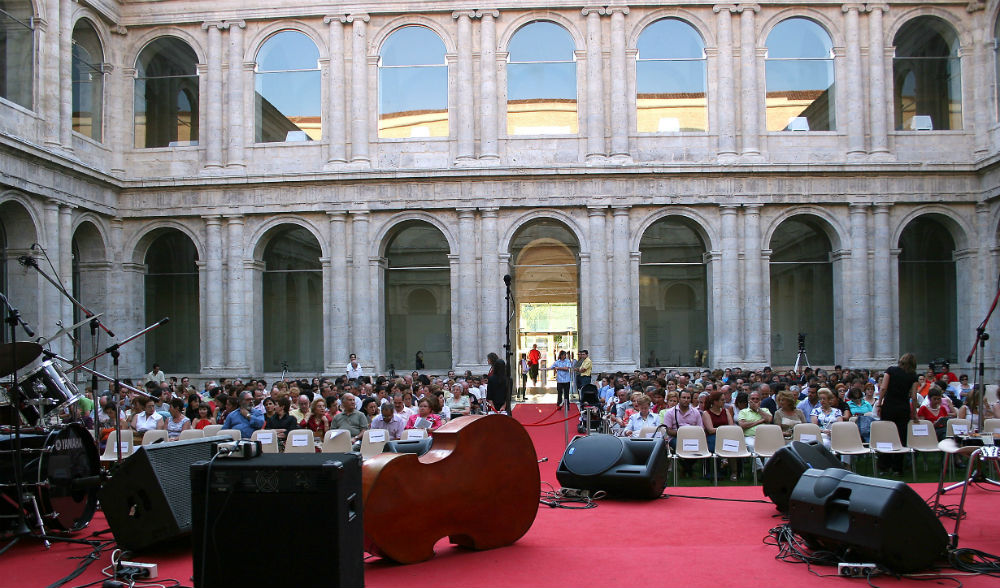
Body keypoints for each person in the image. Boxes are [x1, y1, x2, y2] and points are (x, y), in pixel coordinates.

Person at [878, 353, 919, 475]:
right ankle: (897, 468)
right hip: (903, 407)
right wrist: (914, 412)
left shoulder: (891, 370)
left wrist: (880, 402)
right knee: (901, 437)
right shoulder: (913, 376)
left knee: (886, 435)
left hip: (889, 406)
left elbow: (883, 388)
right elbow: (914, 396)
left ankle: (884, 466)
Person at [738, 390, 772, 459]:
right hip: (750, 436)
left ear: (760, 400)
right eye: (753, 399)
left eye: (757, 399)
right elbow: (743, 425)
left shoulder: (765, 410)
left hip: (765, 436)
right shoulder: (743, 412)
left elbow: (769, 419)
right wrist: (760, 421)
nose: (755, 401)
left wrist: (758, 409)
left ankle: (767, 467)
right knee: (752, 445)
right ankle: (759, 468)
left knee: (769, 446)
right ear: (749, 400)